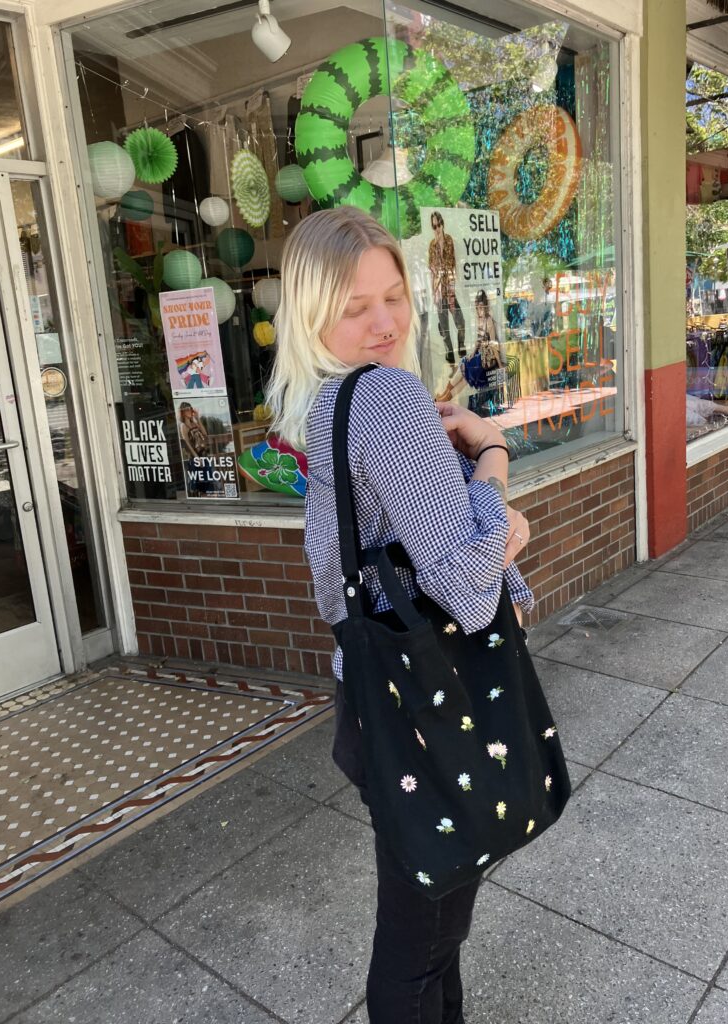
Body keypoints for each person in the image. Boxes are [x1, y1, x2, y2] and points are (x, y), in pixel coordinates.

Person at [267, 206, 533, 1022]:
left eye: (394, 298)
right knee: (421, 942)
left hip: (377, 703)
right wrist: (491, 462)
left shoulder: (326, 408)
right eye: (355, 308)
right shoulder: (386, 399)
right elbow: (467, 587)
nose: (383, 323)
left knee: (432, 923)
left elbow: (333, 588)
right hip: (432, 705)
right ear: (312, 313)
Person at [435, 290, 503, 412]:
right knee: (465, 368)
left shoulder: (488, 320)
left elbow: (493, 344)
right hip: (481, 356)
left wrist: (500, 364)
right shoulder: (481, 319)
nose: (479, 310)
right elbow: (479, 339)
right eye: (478, 307)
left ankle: (443, 398)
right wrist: (473, 352)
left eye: (481, 307)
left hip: (487, 361)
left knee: (465, 369)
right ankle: (444, 396)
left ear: (485, 306)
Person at [428, 211, 466, 365]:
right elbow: (432, 269)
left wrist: (456, 286)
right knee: (445, 329)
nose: (437, 228)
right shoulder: (432, 245)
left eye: (438, 224)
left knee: (460, 322)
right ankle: (449, 353)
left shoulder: (450, 240)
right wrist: (433, 293)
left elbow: (454, 264)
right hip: (439, 291)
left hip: (450, 289)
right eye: (434, 226)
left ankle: (461, 345)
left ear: (443, 224)